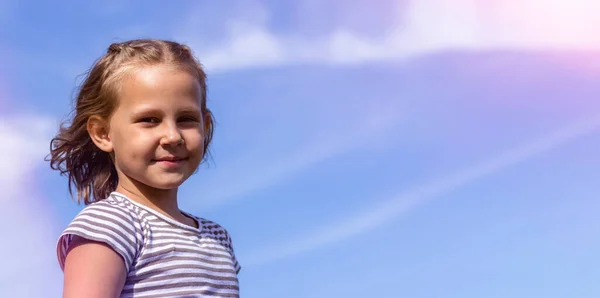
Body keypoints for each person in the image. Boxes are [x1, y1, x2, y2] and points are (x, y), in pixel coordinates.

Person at [48, 39, 241, 298]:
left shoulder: (218, 238)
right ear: (103, 133)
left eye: (186, 119)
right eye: (149, 120)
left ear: (205, 126)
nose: (172, 136)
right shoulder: (111, 224)